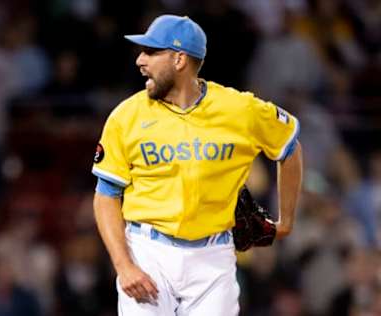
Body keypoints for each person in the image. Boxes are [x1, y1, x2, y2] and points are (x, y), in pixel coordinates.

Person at [92, 14, 303, 316]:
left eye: (151, 52)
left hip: (213, 258)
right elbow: (105, 195)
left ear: (179, 59)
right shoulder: (126, 116)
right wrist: (124, 265)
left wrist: (287, 220)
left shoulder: (240, 109)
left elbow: (290, 147)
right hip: (148, 251)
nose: (140, 60)